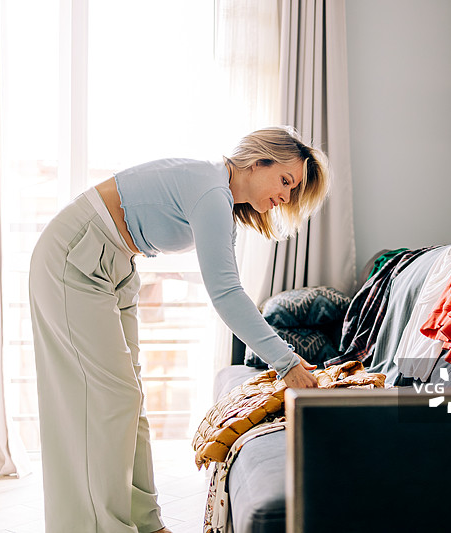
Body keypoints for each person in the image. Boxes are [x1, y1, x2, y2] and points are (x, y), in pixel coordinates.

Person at [28, 126, 330, 533]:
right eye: (285, 182)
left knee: (128, 400)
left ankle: (146, 523)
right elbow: (226, 294)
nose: (286, 198)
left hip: (112, 264)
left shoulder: (217, 198)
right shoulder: (211, 192)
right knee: (108, 400)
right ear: (259, 161)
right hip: (76, 257)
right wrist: (286, 361)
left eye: (293, 192)